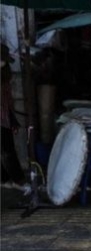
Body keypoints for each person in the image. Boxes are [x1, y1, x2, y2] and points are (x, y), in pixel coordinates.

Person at [1, 43, 29, 194]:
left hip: (5, 116)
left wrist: (12, 120)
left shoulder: (4, 75)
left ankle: (6, 179)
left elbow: (7, 101)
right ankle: (17, 180)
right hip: (3, 117)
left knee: (6, 150)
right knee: (7, 151)